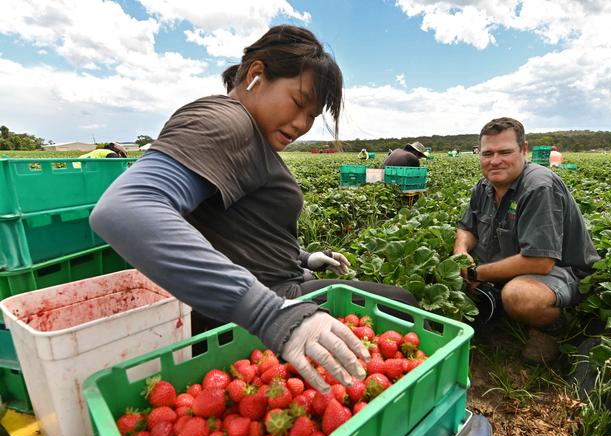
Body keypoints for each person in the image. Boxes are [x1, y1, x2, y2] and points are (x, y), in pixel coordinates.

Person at [90, 25, 419, 393]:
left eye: (312, 115)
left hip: (283, 283)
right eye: (298, 103)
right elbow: (125, 208)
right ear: (256, 75)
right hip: (267, 302)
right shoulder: (226, 120)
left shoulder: (250, 132)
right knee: (401, 307)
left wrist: (303, 257)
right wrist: (269, 313)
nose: (302, 125)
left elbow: (231, 227)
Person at [453, 117, 599, 363]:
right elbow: (466, 228)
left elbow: (539, 263)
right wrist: (461, 252)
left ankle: (556, 326)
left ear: (523, 150)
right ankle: (499, 303)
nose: (495, 160)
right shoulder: (484, 186)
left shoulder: (538, 187)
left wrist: (476, 273)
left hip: (562, 271)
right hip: (507, 265)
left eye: (505, 151)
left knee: (520, 296)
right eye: (487, 153)